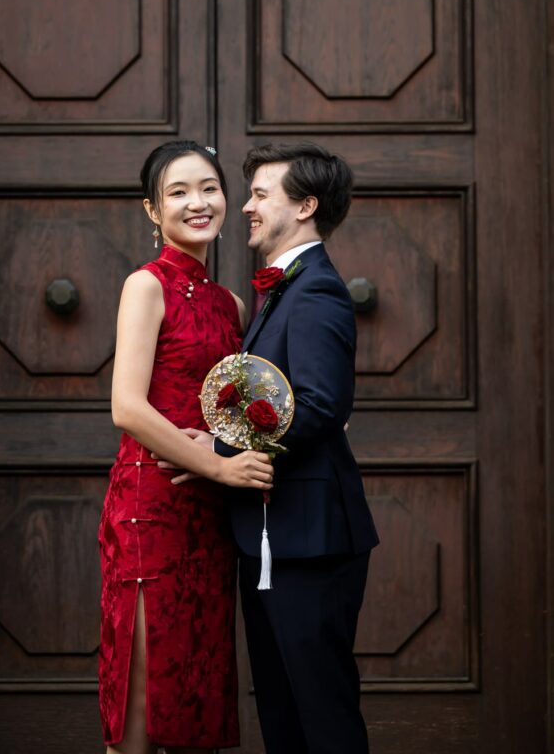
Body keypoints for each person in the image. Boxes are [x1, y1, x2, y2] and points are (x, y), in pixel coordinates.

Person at [166, 141, 379, 754]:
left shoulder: (315, 290)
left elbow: (318, 406)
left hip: (310, 541)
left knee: (322, 715)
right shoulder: (282, 288)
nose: (247, 208)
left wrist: (218, 449)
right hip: (273, 537)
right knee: (285, 717)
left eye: (261, 195)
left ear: (305, 205)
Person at [98, 140, 274, 754]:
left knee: (197, 686)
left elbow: (229, 411)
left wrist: (224, 458)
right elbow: (127, 406)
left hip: (208, 515)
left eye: (209, 188)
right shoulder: (146, 286)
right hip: (151, 505)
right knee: (145, 689)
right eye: (178, 193)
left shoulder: (229, 303)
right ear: (153, 210)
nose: (198, 203)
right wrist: (219, 469)